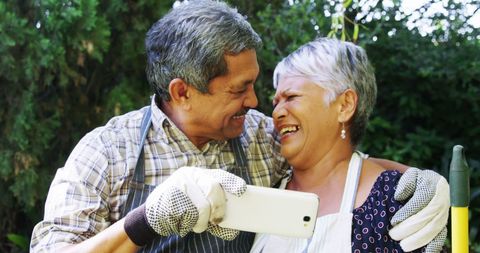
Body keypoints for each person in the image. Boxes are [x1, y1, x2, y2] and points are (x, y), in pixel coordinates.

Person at [30, 1, 449, 252]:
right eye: (239, 89)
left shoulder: (257, 138)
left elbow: (330, 160)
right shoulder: (105, 153)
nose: (255, 102)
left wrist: (416, 181)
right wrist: (146, 220)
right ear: (182, 91)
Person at [249, 38, 449, 253]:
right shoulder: (264, 180)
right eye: (276, 102)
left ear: (345, 105)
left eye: (291, 97)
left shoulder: (392, 199)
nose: (277, 112)